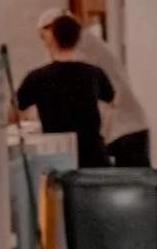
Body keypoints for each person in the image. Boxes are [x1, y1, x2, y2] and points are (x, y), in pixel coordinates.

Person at [39, 8, 151, 167]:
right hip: (124, 128)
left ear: (54, 30)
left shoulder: (80, 48)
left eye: (44, 37)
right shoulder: (84, 42)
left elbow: (64, 82)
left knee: (130, 181)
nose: (45, 44)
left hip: (124, 130)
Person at [16, 15, 117, 167]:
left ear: (52, 38)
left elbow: (13, 114)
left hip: (58, 158)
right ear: (77, 40)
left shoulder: (38, 77)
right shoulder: (94, 73)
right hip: (94, 157)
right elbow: (111, 102)